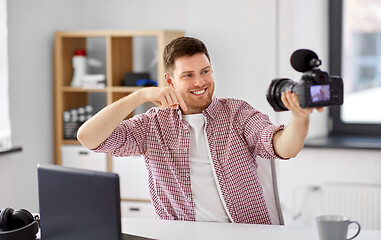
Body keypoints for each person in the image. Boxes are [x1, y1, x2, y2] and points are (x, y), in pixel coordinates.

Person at [77, 37, 323, 225]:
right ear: (170, 81)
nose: (200, 82)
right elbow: (88, 137)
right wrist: (138, 95)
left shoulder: (237, 113)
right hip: (182, 235)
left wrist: (300, 118)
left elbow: (282, 146)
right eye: (188, 75)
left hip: (245, 232)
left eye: (205, 71)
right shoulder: (152, 125)